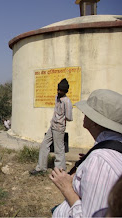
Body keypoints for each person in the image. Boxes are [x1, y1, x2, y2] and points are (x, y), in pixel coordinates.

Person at [49, 89, 122, 217]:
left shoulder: (100, 162)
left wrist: (67, 188)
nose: (84, 114)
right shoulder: (110, 149)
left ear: (95, 121)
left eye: (87, 112)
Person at [30, 78, 73, 175]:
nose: (58, 91)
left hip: (59, 128)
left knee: (59, 150)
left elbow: (69, 117)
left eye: (61, 90)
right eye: (58, 89)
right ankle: (41, 168)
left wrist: (60, 119)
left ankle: (60, 170)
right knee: (44, 145)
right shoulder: (56, 98)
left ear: (65, 91)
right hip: (52, 126)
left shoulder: (67, 101)